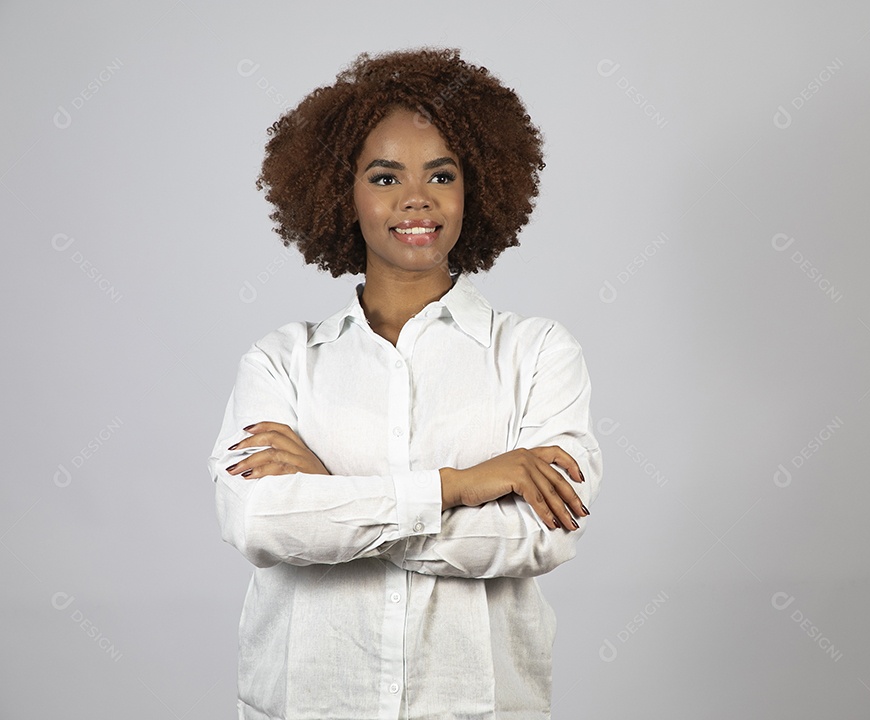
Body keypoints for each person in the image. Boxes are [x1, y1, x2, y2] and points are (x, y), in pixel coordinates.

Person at [208, 47, 602, 720]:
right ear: (342, 193)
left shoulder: (538, 353)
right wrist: (457, 487)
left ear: (474, 188)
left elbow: (542, 537)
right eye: (385, 177)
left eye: (441, 174)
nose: (416, 197)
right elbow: (260, 522)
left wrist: (331, 501)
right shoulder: (281, 361)